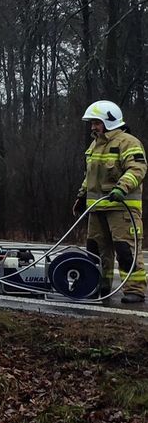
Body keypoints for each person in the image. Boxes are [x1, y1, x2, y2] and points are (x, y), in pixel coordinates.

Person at [76, 100, 146, 303]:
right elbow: (90, 176)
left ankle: (135, 289)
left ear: (110, 121)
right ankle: (98, 285)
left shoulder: (128, 142)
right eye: (92, 123)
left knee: (125, 250)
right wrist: (81, 195)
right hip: (97, 208)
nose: (93, 127)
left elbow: (137, 169)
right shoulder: (95, 144)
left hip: (121, 209)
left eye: (96, 122)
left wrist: (121, 188)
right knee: (95, 250)